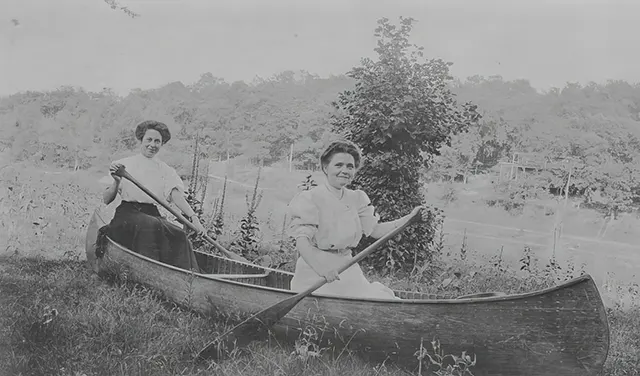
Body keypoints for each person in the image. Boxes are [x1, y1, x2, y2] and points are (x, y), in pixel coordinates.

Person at [287, 140, 425, 299]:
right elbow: (302, 242)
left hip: (347, 269)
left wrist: (410, 218)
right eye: (338, 165)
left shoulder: (356, 198)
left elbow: (376, 230)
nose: (344, 171)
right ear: (326, 168)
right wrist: (322, 270)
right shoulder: (310, 198)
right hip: (315, 273)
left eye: (350, 166)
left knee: (379, 300)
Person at [97, 120, 204, 272]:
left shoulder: (165, 170)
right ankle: (147, 273)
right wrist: (116, 181)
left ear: (162, 144)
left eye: (157, 141)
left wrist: (194, 218)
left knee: (179, 234)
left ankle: (188, 277)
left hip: (152, 214)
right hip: (128, 214)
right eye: (149, 139)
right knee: (151, 226)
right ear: (141, 139)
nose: (152, 145)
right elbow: (107, 199)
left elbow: (175, 195)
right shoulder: (123, 165)